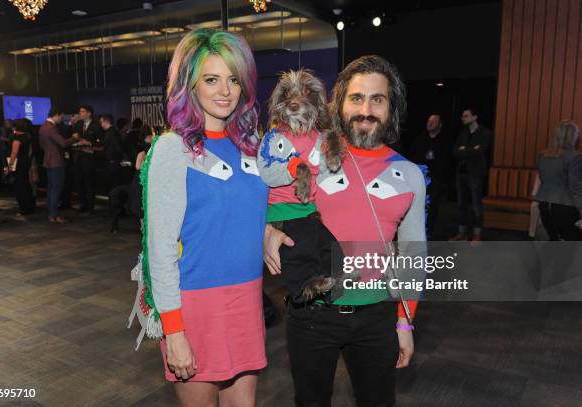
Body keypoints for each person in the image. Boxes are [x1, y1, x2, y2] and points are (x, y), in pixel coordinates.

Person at [264, 55, 426, 407]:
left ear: (391, 107)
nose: (365, 109)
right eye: (356, 98)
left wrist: (405, 323)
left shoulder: (410, 174)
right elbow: (262, 188)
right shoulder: (313, 154)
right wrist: (267, 228)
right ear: (338, 103)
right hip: (312, 313)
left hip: (378, 316)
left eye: (377, 99)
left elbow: (414, 252)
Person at [142, 28, 267, 406]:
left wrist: (271, 231)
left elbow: (252, 214)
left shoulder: (253, 145)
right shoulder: (172, 149)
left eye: (233, 79)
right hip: (195, 306)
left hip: (247, 297)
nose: (225, 91)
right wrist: (174, 330)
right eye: (211, 79)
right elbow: (159, 248)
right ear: (189, 85)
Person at [450, 108, 492, 244]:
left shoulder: (485, 133)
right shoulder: (463, 133)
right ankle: (462, 233)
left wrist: (464, 150)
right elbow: (455, 151)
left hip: (476, 174)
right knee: (461, 205)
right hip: (461, 173)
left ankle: (477, 235)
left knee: (476, 205)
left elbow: (481, 150)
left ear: (475, 117)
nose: (463, 118)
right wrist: (470, 150)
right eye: (462, 116)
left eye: (466, 116)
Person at [534, 120, 582, 241]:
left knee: (554, 240)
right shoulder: (575, 157)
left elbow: (543, 179)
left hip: (544, 205)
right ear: (571, 136)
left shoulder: (543, 155)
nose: (578, 134)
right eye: (577, 132)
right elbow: (575, 188)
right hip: (565, 207)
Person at [39, 107, 84, 223]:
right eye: (61, 116)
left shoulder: (43, 127)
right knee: (56, 189)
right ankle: (53, 215)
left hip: (48, 160)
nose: (62, 119)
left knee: (51, 188)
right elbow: (63, 143)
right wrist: (74, 138)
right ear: (56, 115)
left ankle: (51, 213)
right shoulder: (51, 128)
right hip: (56, 161)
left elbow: (42, 146)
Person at [409, 114, 449, 237]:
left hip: (436, 178)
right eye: (429, 121)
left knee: (432, 205)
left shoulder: (444, 140)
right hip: (420, 177)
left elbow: (446, 161)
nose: (430, 123)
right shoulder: (421, 138)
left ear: (440, 125)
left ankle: (428, 230)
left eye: (434, 121)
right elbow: (413, 155)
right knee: (417, 205)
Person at [71, 105, 103, 214]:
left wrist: (88, 143)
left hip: (90, 159)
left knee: (89, 183)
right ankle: (82, 204)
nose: (80, 113)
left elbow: (101, 143)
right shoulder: (78, 125)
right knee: (79, 183)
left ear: (89, 113)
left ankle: (90, 206)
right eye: (80, 111)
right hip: (78, 157)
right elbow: (72, 137)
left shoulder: (96, 126)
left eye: (83, 111)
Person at [8, 119, 36, 220]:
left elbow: (14, 153)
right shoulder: (27, 136)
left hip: (18, 164)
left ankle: (23, 209)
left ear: (15, 127)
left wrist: (10, 165)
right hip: (25, 163)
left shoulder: (17, 138)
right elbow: (30, 151)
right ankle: (30, 207)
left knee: (20, 187)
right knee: (26, 185)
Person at [100, 114, 125, 192]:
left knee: (114, 187)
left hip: (113, 164)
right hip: (112, 163)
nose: (101, 125)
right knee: (113, 186)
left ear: (106, 121)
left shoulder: (112, 133)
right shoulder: (111, 132)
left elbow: (118, 148)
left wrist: (116, 159)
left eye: (101, 122)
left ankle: (114, 203)